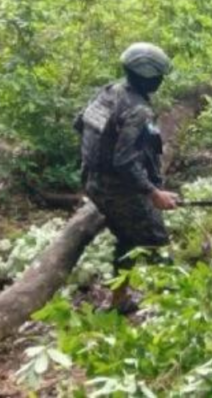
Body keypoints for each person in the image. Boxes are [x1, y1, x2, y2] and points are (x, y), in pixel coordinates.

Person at [74, 43, 178, 314]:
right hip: (120, 189)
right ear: (148, 76)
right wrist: (153, 193)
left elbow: (81, 124)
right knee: (157, 243)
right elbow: (124, 161)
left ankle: (119, 301)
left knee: (127, 238)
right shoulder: (138, 110)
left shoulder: (109, 92)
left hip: (94, 182)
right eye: (159, 76)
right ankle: (175, 309)